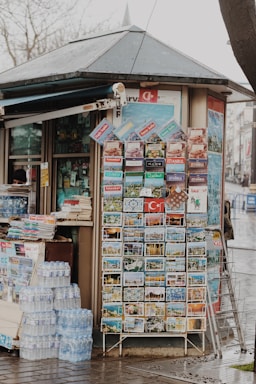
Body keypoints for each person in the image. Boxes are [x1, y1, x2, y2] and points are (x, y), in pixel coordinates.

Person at [223, 199, 234, 272]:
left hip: (223, 233)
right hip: (224, 233)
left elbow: (226, 218)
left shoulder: (225, 202)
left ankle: (224, 268)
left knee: (223, 251)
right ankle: (225, 268)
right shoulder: (226, 202)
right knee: (224, 251)